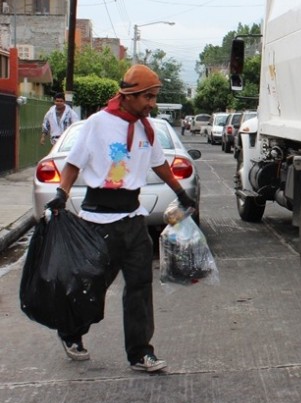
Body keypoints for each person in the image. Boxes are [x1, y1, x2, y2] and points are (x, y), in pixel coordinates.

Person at [45, 64, 196, 373]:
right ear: (129, 95)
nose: (152, 103)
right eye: (148, 97)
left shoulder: (146, 127)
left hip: (132, 219)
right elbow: (73, 163)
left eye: (154, 97)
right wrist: (62, 193)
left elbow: (159, 165)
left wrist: (180, 192)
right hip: (98, 220)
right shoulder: (96, 124)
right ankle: (72, 333)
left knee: (140, 284)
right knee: (93, 285)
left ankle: (140, 352)